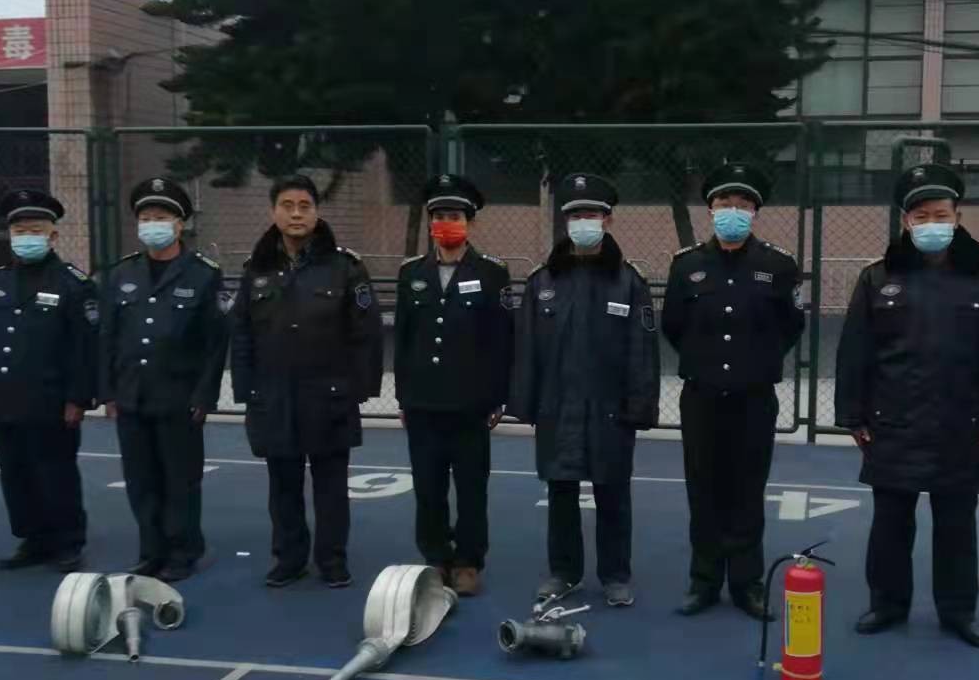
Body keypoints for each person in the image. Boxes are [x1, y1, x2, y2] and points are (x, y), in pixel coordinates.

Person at [834, 163, 979, 649]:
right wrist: (853, 415)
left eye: (941, 214)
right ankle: (887, 604)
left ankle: (958, 611)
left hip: (962, 425)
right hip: (892, 423)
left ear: (958, 217)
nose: (931, 223)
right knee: (890, 523)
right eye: (921, 216)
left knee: (957, 526)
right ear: (905, 221)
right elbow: (855, 351)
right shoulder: (878, 277)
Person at [508, 173, 659, 609]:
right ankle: (563, 572)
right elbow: (527, 347)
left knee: (613, 492)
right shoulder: (543, 281)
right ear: (565, 221)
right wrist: (526, 403)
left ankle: (615, 574)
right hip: (558, 406)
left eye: (590, 214)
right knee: (561, 491)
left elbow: (642, 349)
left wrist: (639, 405)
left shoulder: (629, 281)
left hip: (611, 408)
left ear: (607, 220)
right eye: (575, 215)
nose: (582, 222)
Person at [661, 162, 804, 620]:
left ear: (755, 212)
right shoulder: (687, 265)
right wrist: (706, 361)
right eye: (725, 203)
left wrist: (753, 362)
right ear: (710, 209)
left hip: (753, 397)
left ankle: (747, 583)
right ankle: (703, 580)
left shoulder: (778, 265)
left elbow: (790, 326)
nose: (733, 212)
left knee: (747, 489)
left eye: (743, 205)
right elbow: (674, 325)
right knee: (702, 489)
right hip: (702, 396)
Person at [232, 174, 383, 589]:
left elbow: (366, 332)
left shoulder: (345, 267)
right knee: (283, 485)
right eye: (287, 205)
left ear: (316, 213)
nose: (296, 214)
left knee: (331, 486)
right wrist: (247, 391)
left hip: (329, 396)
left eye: (305, 206)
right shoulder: (256, 269)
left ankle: (332, 560)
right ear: (273, 212)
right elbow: (242, 333)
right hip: (274, 398)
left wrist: (359, 389)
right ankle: (289, 558)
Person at [98, 178, 229, 583]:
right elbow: (107, 336)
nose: (152, 224)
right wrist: (108, 391)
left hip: (179, 396)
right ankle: (151, 550)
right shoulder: (122, 273)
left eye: (161, 217)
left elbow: (214, 343)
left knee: (180, 479)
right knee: (140, 479)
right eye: (146, 217)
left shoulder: (203, 275)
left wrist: (204, 396)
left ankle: (183, 550)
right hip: (132, 394)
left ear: (179, 224)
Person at [394, 174, 513, 596]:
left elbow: (502, 339)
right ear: (430, 222)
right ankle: (436, 556)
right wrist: (403, 396)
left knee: (471, 487)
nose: (447, 223)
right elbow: (403, 339)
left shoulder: (493, 273)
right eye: (440, 215)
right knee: (428, 487)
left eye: (456, 216)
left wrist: (498, 397)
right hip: (424, 403)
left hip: (470, 404)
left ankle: (468, 560)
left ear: (470, 222)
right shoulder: (412, 273)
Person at [0, 189, 98, 572]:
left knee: (55, 474)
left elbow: (84, 347)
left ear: (53, 236)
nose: (26, 237)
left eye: (35, 230)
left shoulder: (73, 284)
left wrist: (78, 398)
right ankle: (33, 540)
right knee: (15, 475)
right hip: (3, 398)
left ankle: (68, 542)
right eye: (19, 230)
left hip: (50, 400)